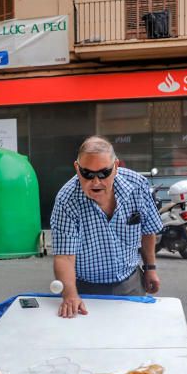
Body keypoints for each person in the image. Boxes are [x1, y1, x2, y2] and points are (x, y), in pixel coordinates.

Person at [50, 136, 163, 319]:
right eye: (87, 174)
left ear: (116, 166)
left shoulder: (137, 186)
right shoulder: (66, 200)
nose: (95, 182)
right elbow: (64, 256)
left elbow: (147, 230)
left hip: (131, 282)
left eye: (103, 173)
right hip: (86, 288)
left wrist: (150, 268)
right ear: (77, 168)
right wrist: (70, 295)